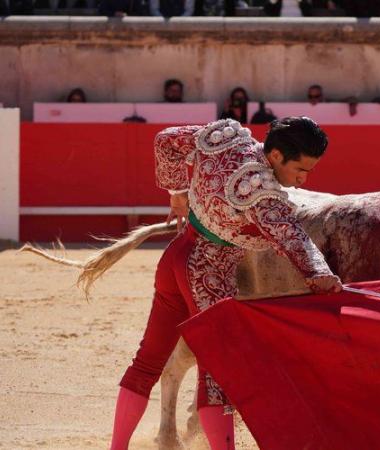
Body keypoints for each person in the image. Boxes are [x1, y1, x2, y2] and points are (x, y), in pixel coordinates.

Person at [109, 116, 342, 450]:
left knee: (147, 361)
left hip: (175, 258)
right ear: (275, 156)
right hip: (207, 275)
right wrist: (322, 277)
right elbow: (292, 238)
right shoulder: (261, 191)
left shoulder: (226, 138)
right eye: (300, 170)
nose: (302, 180)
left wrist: (177, 193)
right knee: (217, 376)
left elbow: (166, 139)